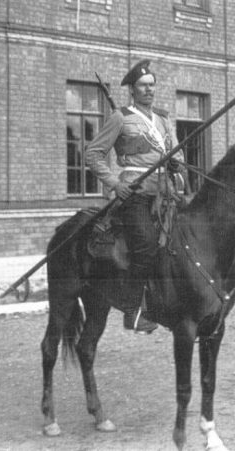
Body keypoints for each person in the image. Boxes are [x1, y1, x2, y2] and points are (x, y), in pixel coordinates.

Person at [85, 59, 186, 333]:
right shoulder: (121, 118)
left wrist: (176, 162)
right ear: (132, 89)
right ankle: (134, 311)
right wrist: (114, 184)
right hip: (135, 193)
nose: (149, 90)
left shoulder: (164, 120)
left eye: (152, 85)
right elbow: (92, 154)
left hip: (165, 192)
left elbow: (177, 153)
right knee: (146, 244)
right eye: (143, 86)